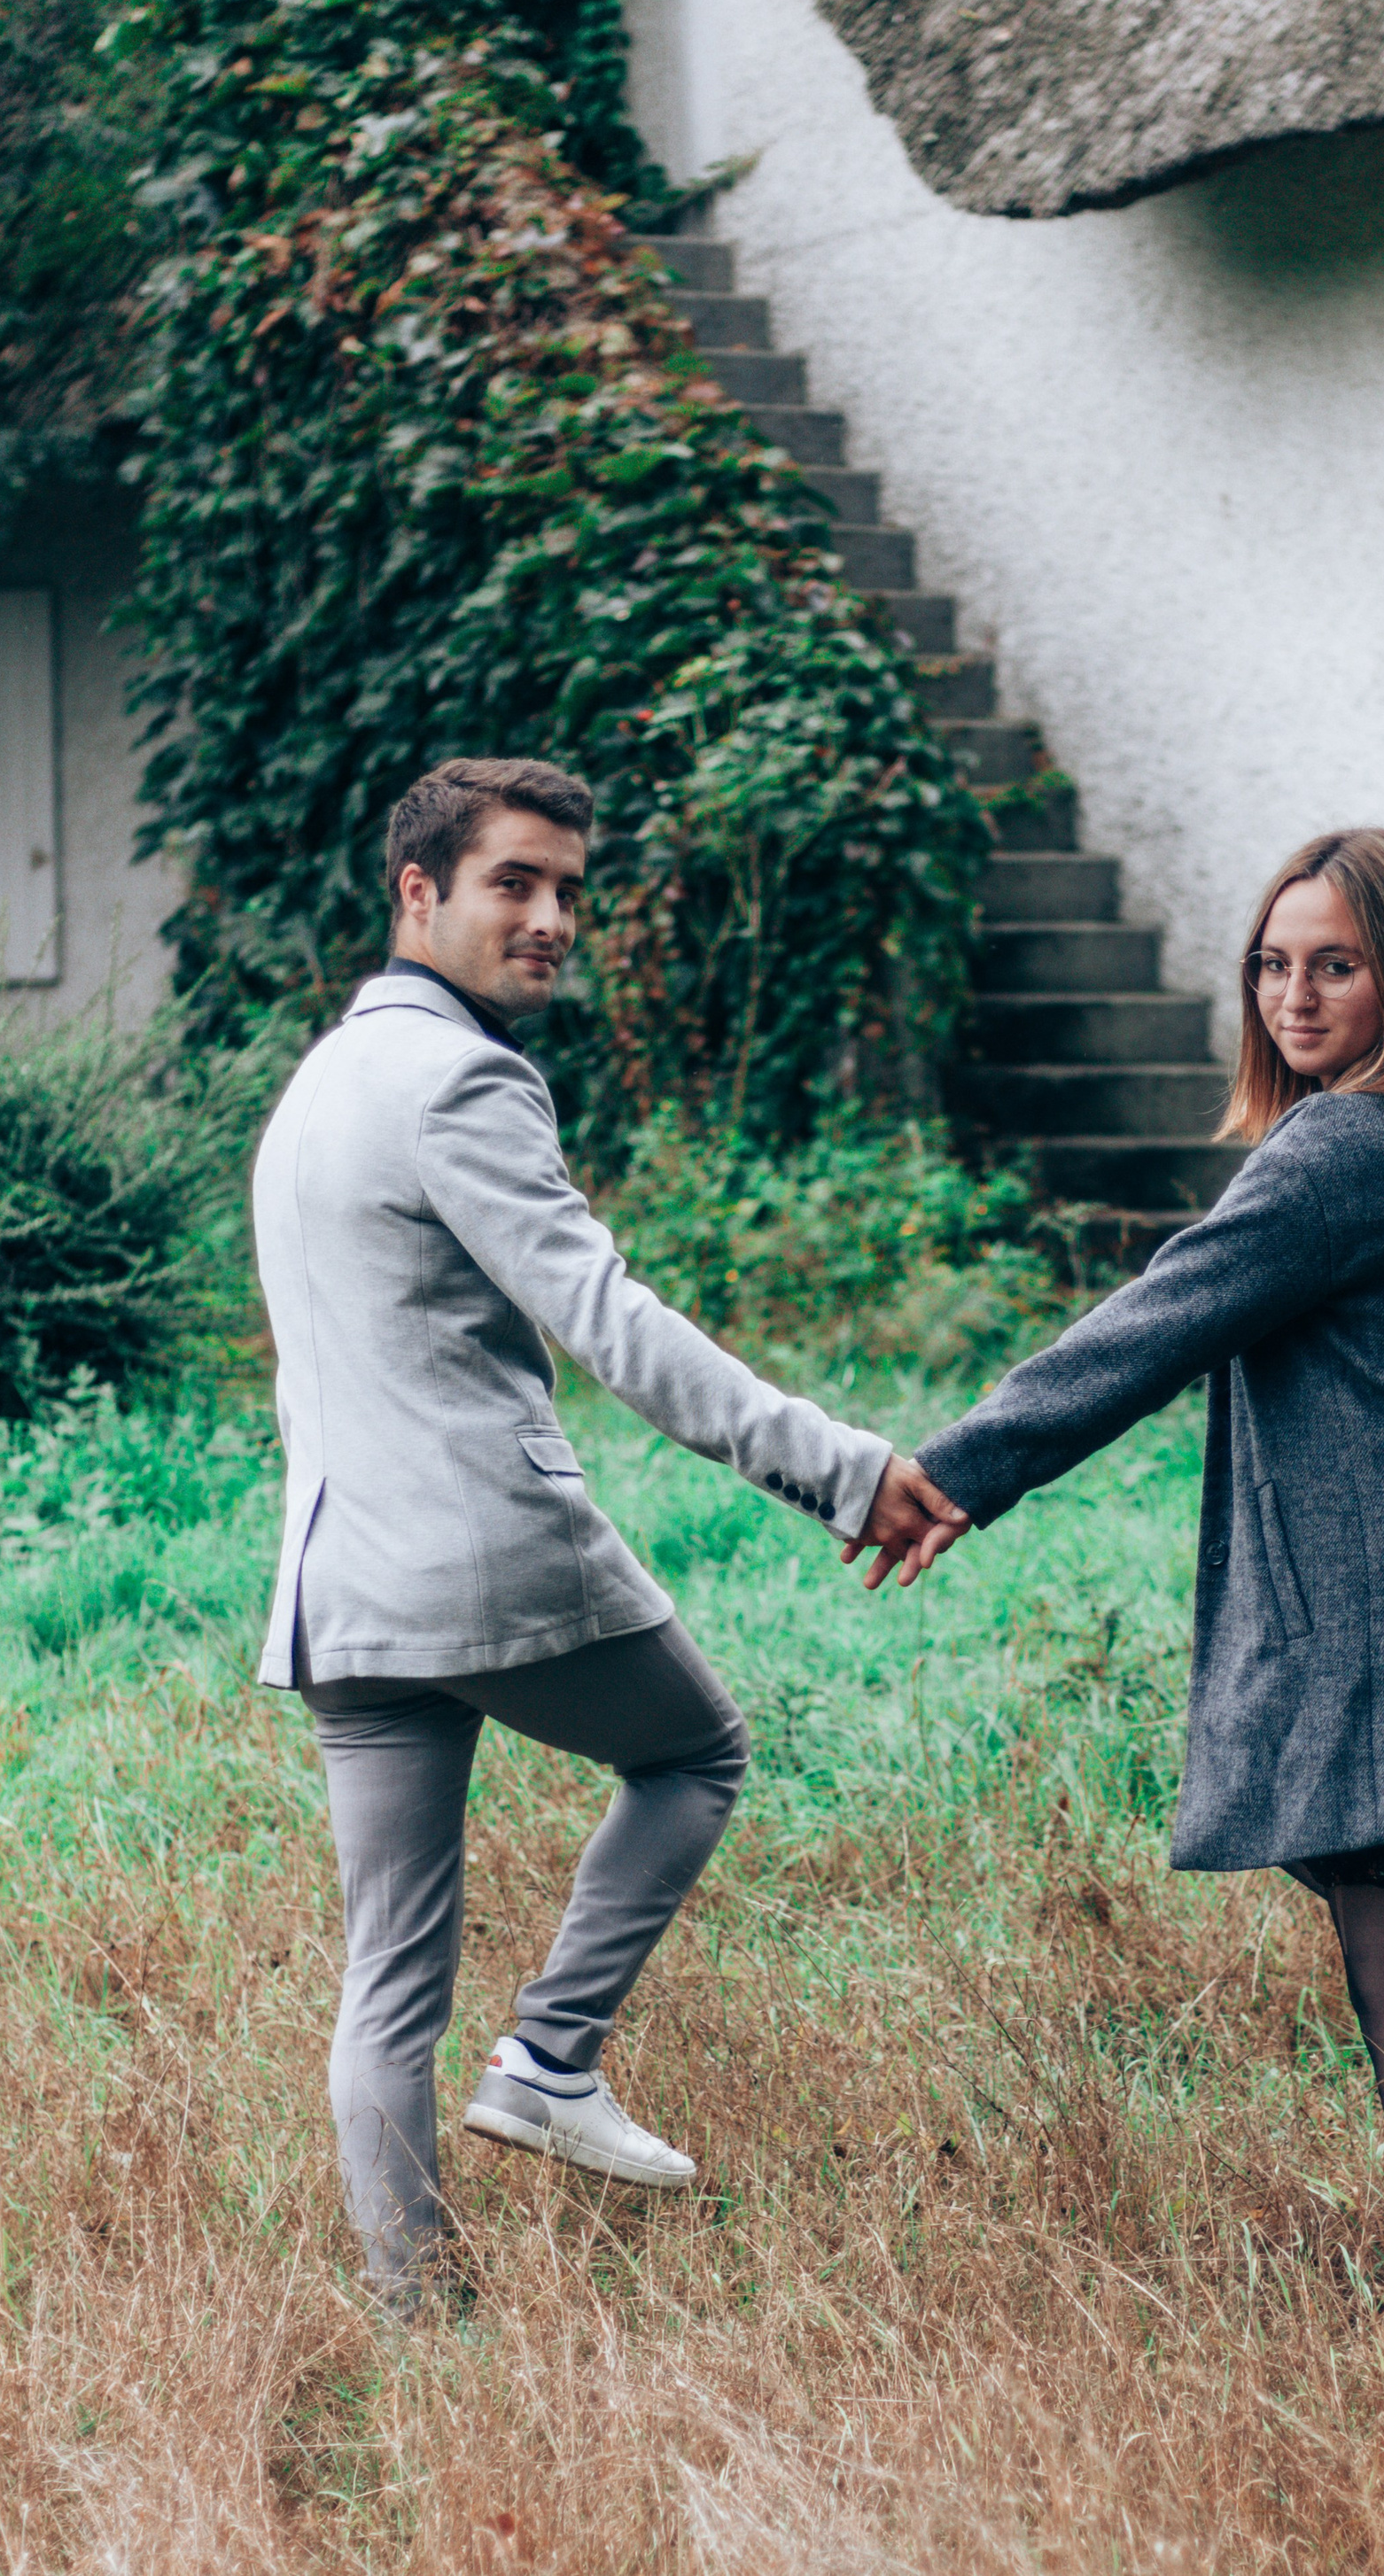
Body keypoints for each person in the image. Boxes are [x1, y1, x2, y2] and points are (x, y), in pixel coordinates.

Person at [253, 756, 960, 2308]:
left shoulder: (323, 1077)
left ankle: (416, 2314)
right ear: (418, 892)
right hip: (483, 1555)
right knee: (697, 1751)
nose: (555, 916)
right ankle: (554, 2056)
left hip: (340, 1592)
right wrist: (842, 1467)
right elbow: (611, 1324)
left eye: (570, 887)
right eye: (516, 881)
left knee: (387, 1978)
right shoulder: (462, 1077)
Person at [909, 828, 1384, 2266]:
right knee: (1323, 1817)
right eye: (1272, 963)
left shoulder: (1348, 1145)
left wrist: (954, 1474)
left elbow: (1158, 1322)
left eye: (1335, 966)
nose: (1292, 997)